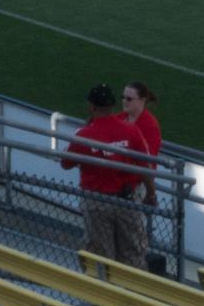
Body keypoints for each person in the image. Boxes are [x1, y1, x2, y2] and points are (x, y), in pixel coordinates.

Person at [60, 84, 152, 267]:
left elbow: (65, 163)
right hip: (127, 201)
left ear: (91, 107)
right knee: (133, 255)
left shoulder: (84, 135)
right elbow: (145, 166)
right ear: (112, 106)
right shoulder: (131, 130)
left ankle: (103, 293)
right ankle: (134, 293)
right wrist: (152, 193)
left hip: (96, 203)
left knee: (100, 257)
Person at [121, 80, 165, 270]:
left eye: (129, 98)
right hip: (119, 183)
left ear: (142, 101)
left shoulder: (149, 125)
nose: (125, 101)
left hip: (133, 186)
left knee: (132, 238)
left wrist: (150, 190)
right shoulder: (122, 118)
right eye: (123, 97)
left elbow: (148, 161)